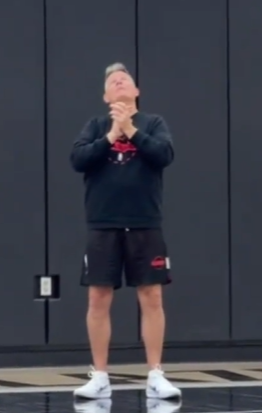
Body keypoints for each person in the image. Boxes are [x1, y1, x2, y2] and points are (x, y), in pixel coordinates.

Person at [70, 63, 180, 401]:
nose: (119, 82)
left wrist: (130, 130)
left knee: (151, 296)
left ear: (136, 92)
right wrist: (110, 136)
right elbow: (78, 159)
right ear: (106, 96)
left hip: (145, 221)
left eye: (124, 79)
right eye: (112, 81)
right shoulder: (95, 126)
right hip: (103, 223)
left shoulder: (153, 123)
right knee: (98, 297)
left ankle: (155, 374)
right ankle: (100, 375)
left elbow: (164, 155)